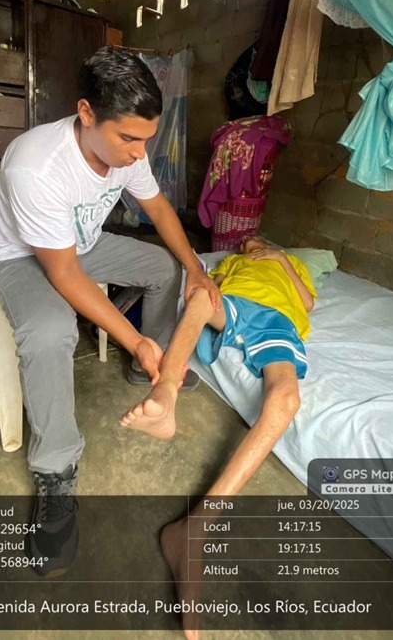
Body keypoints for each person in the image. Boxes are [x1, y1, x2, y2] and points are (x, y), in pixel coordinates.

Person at [0, 47, 220, 575]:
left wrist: (196, 269)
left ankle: (147, 369)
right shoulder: (36, 166)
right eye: (129, 139)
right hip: (24, 255)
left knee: (163, 267)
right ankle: (56, 471)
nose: (139, 153)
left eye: (146, 139)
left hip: (79, 243)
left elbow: (157, 207)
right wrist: (133, 336)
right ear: (87, 113)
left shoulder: (127, 150)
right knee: (50, 330)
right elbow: (65, 275)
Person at [120, 236, 316, 639]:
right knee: (199, 300)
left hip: (278, 322)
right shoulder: (234, 264)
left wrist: (281, 258)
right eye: (246, 242)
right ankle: (166, 392)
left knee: (286, 399)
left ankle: (196, 529)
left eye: (257, 240)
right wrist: (216, 281)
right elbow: (209, 288)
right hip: (236, 305)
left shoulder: (290, 262)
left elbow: (308, 303)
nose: (250, 241)